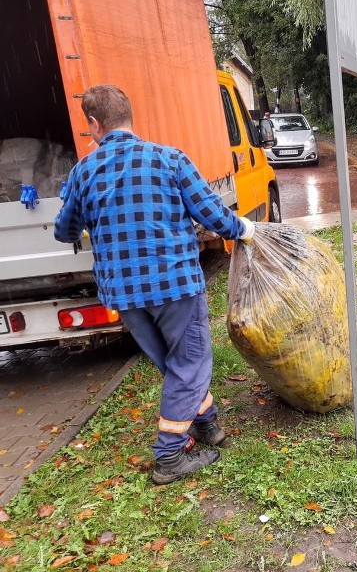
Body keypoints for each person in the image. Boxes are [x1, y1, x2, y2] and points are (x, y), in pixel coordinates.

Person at [54, 84, 255, 485]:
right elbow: (212, 215)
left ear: (94, 123)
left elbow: (65, 230)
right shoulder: (169, 160)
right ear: (130, 115)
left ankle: (207, 424)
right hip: (174, 285)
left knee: (172, 363)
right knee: (190, 363)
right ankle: (168, 457)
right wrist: (243, 228)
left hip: (125, 295)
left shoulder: (83, 171)